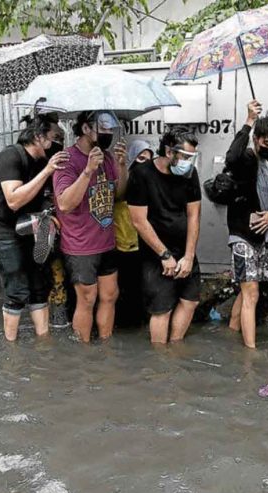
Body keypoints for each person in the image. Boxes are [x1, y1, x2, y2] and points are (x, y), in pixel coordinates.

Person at [0, 114, 68, 341]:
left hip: (31, 227)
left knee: (40, 286)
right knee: (18, 288)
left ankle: (44, 341)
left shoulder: (42, 162)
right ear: (39, 137)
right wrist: (48, 171)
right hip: (3, 229)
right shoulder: (11, 156)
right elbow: (13, 200)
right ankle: (11, 347)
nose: (59, 143)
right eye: (55, 137)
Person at [53, 111, 128, 343]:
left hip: (106, 240)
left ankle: (106, 348)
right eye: (103, 129)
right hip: (80, 244)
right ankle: (83, 354)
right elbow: (65, 203)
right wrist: (87, 170)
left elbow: (119, 194)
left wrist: (123, 167)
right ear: (86, 129)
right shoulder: (67, 159)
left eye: (110, 130)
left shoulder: (106, 158)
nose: (108, 135)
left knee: (110, 295)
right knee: (87, 299)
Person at [127, 129, 202, 344]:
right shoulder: (142, 174)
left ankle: (175, 348)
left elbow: (194, 215)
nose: (188, 162)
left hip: (184, 248)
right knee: (162, 309)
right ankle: (161, 362)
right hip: (155, 253)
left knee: (190, 300)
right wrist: (164, 254)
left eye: (191, 157)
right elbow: (139, 220)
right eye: (185, 156)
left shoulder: (190, 174)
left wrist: (189, 255)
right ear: (169, 151)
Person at [224, 100, 268, 349]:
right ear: (257, 139)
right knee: (252, 294)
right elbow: (231, 157)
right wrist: (249, 121)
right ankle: (250, 353)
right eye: (266, 142)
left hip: (262, 237)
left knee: (246, 291)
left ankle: (232, 331)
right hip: (242, 237)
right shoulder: (246, 161)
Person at [114, 139, 153, 328]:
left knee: (140, 291)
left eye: (148, 159)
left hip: (143, 245)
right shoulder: (124, 181)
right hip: (122, 244)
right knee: (122, 291)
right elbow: (119, 195)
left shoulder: (149, 183)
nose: (145, 163)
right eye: (140, 158)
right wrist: (122, 166)